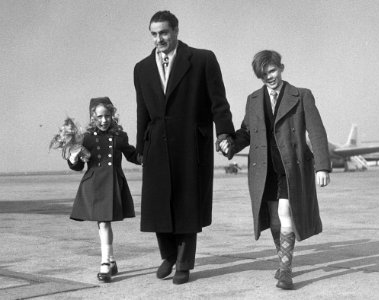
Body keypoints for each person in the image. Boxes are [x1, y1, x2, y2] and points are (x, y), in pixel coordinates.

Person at [134, 10, 235, 284]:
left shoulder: (202, 59)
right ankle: (168, 254)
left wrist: (225, 133)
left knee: (187, 204)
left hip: (190, 144)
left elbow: (219, 102)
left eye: (164, 33)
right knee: (158, 204)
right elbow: (142, 110)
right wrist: (140, 147)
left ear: (176, 30)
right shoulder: (142, 68)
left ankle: (184, 263)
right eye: (154, 34)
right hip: (156, 144)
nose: (159, 39)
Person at [220, 50, 331, 290]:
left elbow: (317, 131)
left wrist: (322, 166)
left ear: (281, 67)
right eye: (263, 75)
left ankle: (286, 271)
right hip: (263, 167)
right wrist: (230, 144)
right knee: (273, 220)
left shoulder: (301, 96)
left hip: (290, 167)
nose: (269, 77)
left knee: (284, 213)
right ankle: (282, 263)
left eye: (272, 71)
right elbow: (247, 132)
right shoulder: (253, 99)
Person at [68, 97, 140, 283]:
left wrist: (150, 156)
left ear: (112, 115)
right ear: (92, 116)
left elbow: (132, 154)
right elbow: (76, 167)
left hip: (113, 182)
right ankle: (108, 262)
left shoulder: (119, 136)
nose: (104, 120)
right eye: (99, 116)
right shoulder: (85, 137)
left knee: (104, 223)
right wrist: (74, 157)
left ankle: (106, 263)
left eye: (107, 115)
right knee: (103, 223)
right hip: (93, 184)